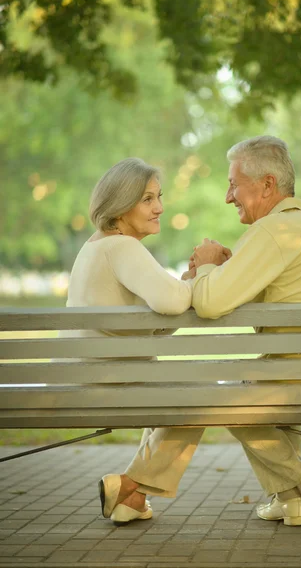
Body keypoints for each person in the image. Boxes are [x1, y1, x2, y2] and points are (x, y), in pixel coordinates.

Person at [103, 136, 301, 527]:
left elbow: (208, 303)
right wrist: (231, 265)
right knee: (249, 381)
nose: (228, 196)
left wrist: (208, 264)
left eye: (233, 184)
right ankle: (290, 501)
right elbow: (268, 291)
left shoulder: (272, 232)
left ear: (267, 185)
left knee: (224, 393)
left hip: (300, 378)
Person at [61, 157, 193, 524]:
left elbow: (156, 323)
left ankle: (130, 499)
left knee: (184, 392)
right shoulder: (122, 248)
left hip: (87, 379)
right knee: (197, 398)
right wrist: (201, 278)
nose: (160, 208)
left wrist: (187, 280)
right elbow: (174, 301)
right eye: (147, 199)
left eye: (159, 197)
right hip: (110, 384)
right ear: (120, 205)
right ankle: (129, 486)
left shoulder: (95, 247)